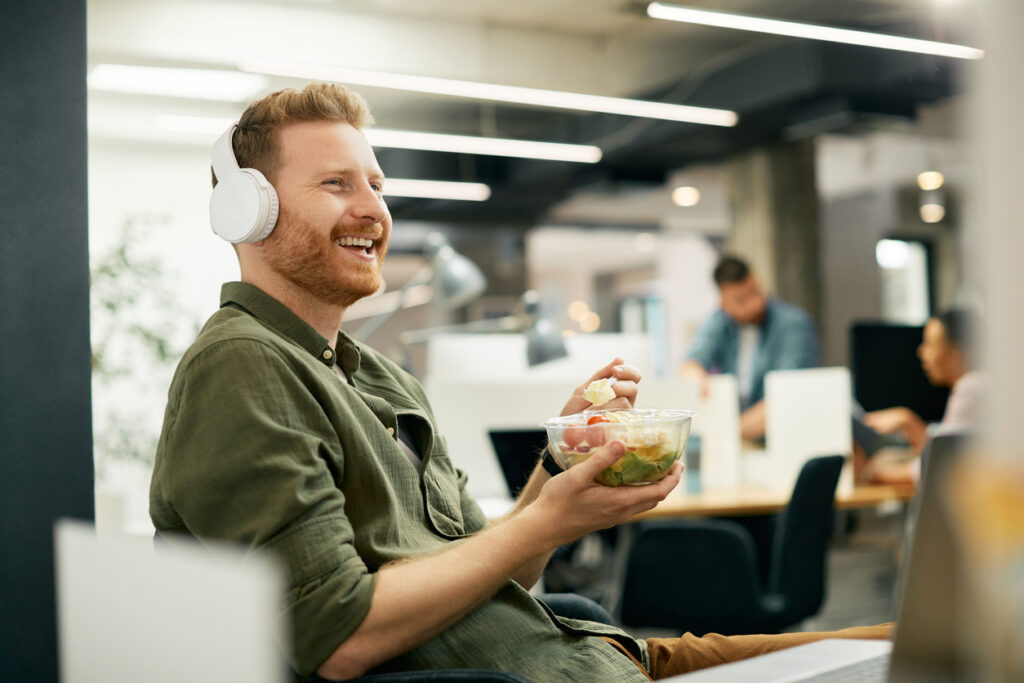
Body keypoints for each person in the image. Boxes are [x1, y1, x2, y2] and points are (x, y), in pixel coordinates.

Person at [149, 82, 890, 682]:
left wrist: (557, 465)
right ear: (248, 211)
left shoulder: (377, 375)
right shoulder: (242, 366)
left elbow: (502, 566)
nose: (374, 208)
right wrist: (549, 518)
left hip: (601, 655)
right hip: (549, 674)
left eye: (375, 183)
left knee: (910, 642)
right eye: (336, 184)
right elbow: (333, 636)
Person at [682, 255, 820, 441]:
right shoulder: (720, 323)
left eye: (754, 292)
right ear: (723, 302)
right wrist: (698, 380)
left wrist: (726, 433)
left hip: (784, 436)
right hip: (739, 437)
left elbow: (786, 394)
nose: (754, 304)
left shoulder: (794, 324)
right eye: (740, 300)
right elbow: (692, 364)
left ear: (756, 279)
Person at [860, 308, 983, 486]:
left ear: (954, 357)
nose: (921, 352)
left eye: (929, 345)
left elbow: (938, 466)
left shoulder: (971, 387)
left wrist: (875, 473)